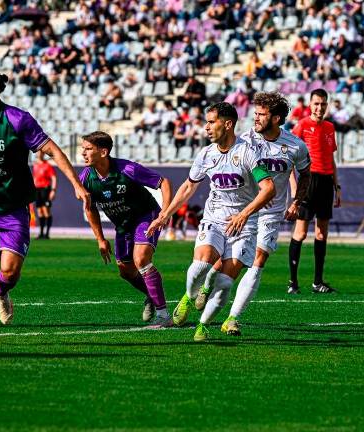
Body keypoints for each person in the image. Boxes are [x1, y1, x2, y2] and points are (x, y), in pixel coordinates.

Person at [0, 66, 90, 346]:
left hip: (13, 208)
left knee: (11, 272)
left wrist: (76, 184)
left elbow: (52, 150)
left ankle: (1, 290)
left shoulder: (18, 119)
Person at [146, 102, 275, 341]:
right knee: (201, 266)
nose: (206, 127)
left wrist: (243, 214)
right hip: (214, 218)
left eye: (211, 122)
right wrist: (165, 215)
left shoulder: (247, 153)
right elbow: (188, 187)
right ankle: (189, 295)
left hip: (244, 225)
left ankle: (203, 326)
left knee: (225, 283)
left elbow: (268, 189)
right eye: (206, 122)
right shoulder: (206, 154)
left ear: (228, 124)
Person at [195, 92, 311, 336]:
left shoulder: (295, 146)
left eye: (261, 114)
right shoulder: (245, 141)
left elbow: (306, 174)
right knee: (224, 264)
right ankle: (206, 285)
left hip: (270, 214)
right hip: (239, 211)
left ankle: (232, 319)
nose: (255, 118)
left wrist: (297, 200)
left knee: (258, 260)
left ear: (276, 118)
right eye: (255, 113)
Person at [79, 131, 174, 327]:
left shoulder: (127, 169)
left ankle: (164, 316)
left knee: (141, 259)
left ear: (103, 152)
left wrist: (164, 213)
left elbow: (163, 183)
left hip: (146, 216)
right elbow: (90, 209)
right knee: (126, 272)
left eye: (88, 149)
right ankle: (151, 295)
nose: (83, 153)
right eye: (83, 149)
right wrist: (100, 239)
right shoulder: (86, 178)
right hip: (123, 226)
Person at [287, 89, 342, 295]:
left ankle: (317, 282)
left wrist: (337, 187)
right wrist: (295, 187)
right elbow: (289, 160)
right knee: (300, 233)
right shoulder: (301, 125)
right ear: (310, 104)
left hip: (326, 183)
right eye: (316, 104)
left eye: (323, 104)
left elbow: (332, 159)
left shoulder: (329, 127)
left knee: (321, 233)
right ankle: (292, 282)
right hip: (308, 182)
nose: (320, 108)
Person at [32, 154, 57, 239]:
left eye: (40, 152)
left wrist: (53, 190)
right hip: (37, 190)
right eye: (37, 152)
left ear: (43, 154)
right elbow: (35, 178)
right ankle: (41, 233)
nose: (39, 154)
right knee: (39, 211)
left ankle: (47, 234)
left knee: (46, 211)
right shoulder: (35, 165)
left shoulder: (47, 165)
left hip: (45, 189)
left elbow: (53, 178)